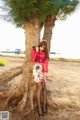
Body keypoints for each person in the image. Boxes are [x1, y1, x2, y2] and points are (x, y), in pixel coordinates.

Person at [31, 40, 49, 119]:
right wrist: (37, 51)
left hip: (42, 70)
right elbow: (33, 59)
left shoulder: (45, 53)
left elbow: (45, 63)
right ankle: (39, 107)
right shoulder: (35, 50)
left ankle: (44, 106)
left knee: (44, 88)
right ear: (40, 45)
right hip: (37, 69)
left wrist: (45, 72)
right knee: (40, 87)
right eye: (41, 46)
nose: (42, 48)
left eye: (44, 47)